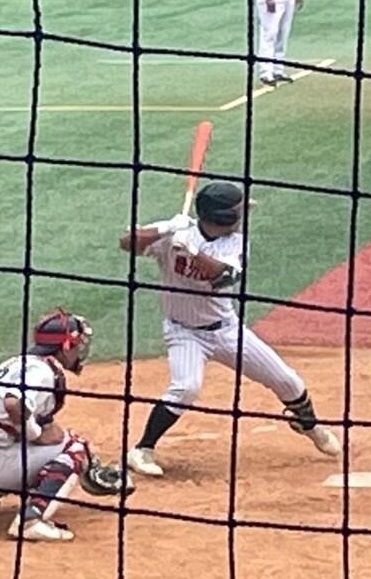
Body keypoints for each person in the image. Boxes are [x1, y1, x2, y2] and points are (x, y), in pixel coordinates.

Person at [121, 181, 341, 478]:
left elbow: (224, 278)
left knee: (287, 380)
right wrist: (164, 231)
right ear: (223, 217)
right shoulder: (177, 231)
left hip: (225, 330)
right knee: (186, 387)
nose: (243, 216)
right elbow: (126, 242)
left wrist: (192, 252)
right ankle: (142, 449)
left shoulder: (236, 243)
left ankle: (309, 425)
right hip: (183, 332)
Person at [0, 308, 128, 542]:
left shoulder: (17, 363)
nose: (79, 351)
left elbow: (47, 431)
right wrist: (37, 435)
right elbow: (14, 404)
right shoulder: (44, 371)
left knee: (49, 448)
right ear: (65, 346)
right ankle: (31, 520)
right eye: (77, 345)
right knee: (73, 448)